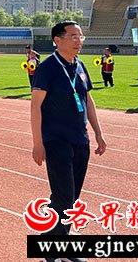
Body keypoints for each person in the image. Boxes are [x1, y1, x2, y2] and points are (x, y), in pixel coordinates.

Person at [30, 21, 107, 239]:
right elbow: (35, 106)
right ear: (57, 40)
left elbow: (88, 100)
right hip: (56, 140)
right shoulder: (47, 68)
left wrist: (98, 133)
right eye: (73, 36)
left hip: (80, 140)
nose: (78, 41)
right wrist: (38, 143)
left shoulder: (80, 66)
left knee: (71, 197)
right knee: (64, 196)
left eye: (80, 36)